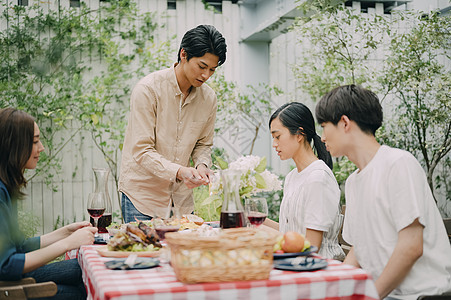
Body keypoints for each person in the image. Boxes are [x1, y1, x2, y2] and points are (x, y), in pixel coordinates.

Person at [315, 84, 451, 299]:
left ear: (344, 123)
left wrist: (371, 296)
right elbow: (359, 251)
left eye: (324, 126)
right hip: (386, 294)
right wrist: (335, 288)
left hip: (421, 294)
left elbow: (411, 247)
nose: (322, 137)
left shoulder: (398, 164)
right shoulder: (353, 182)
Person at [119, 24, 227, 223]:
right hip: (142, 198)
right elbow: (142, 150)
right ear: (183, 54)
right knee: (145, 254)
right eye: (202, 67)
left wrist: (202, 165)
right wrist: (180, 171)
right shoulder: (148, 90)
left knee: (182, 254)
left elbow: (203, 144)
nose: (206, 76)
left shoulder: (209, 98)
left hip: (181, 202)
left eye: (212, 69)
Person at [0, 108, 97, 299]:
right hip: (9, 286)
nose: (41, 147)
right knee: (80, 292)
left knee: (86, 270)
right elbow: (7, 266)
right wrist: (68, 244)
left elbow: (19, 246)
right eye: (35, 141)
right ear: (15, 145)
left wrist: (64, 233)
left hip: (18, 275)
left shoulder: (6, 186)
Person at [264, 102, 345, 260]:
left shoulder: (318, 178)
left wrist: (262, 233)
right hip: (294, 261)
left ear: (299, 134)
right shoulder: (292, 177)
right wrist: (253, 220)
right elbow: (291, 232)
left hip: (320, 267)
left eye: (278, 136)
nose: (274, 144)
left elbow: (311, 245)